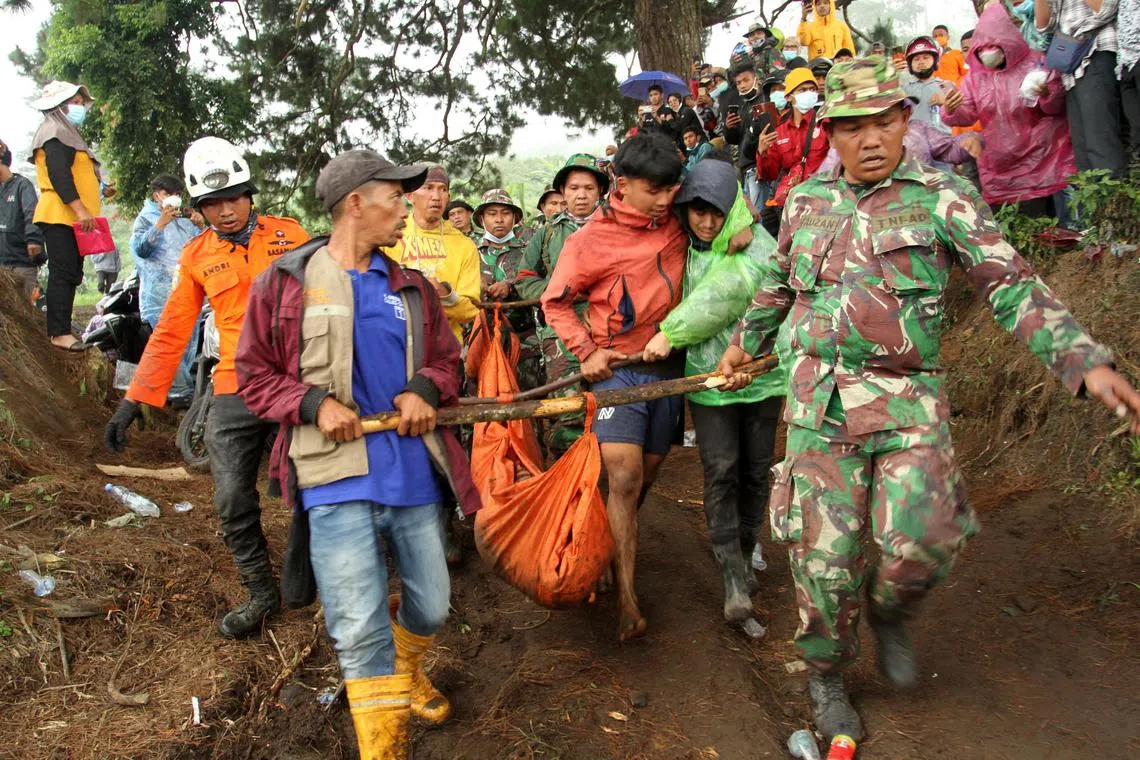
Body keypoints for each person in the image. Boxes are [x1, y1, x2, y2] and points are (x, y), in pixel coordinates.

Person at [718, 56, 1140, 744]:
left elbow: (1010, 284)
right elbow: (775, 286)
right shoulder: (804, 202)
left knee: (923, 539)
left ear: (905, 120)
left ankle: (890, 610)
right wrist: (744, 342)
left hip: (909, 401)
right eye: (853, 126)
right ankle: (826, 674)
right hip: (819, 405)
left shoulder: (944, 198)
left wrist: (1083, 361)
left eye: (884, 120)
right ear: (831, 132)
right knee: (822, 560)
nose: (871, 138)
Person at [236, 149, 480, 760]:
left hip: (409, 471)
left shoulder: (413, 287)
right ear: (355, 203)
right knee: (358, 623)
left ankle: (405, 670)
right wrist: (314, 403)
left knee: (432, 601)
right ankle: (385, 748)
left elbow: (447, 362)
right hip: (333, 478)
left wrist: (423, 388)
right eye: (395, 199)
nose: (407, 211)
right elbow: (255, 375)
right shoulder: (285, 283)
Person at [104, 137, 310, 639]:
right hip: (235, 384)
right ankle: (260, 591)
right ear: (199, 208)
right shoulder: (196, 256)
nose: (224, 211)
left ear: (249, 195)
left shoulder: (292, 235)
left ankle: (305, 572)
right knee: (231, 496)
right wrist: (134, 400)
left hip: (297, 378)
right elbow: (173, 328)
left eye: (233, 198)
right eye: (212, 204)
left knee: (313, 483)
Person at [540, 133, 689, 642]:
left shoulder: (679, 217)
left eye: (673, 187)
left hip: (669, 368)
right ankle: (628, 596)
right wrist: (587, 351)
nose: (666, 199)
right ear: (622, 186)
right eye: (655, 190)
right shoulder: (588, 241)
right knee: (622, 475)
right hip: (616, 369)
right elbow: (554, 302)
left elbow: (727, 207)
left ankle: (604, 541)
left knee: (642, 479)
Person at [644, 158, 786, 630]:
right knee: (721, 469)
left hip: (760, 377)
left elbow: (729, 291)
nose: (706, 221)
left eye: (717, 212)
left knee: (756, 470)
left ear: (734, 211)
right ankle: (732, 578)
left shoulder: (757, 244)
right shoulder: (680, 242)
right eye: (697, 211)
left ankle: (746, 553)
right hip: (708, 383)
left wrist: (671, 331)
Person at [944, 3, 1077, 219]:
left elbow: (1054, 109)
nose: (987, 53)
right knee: (1011, 228)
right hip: (1000, 167)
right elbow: (967, 114)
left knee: (1046, 225)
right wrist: (951, 109)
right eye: (983, 48)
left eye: (993, 46)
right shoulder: (976, 78)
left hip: (1039, 161)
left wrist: (1046, 93)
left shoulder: (1034, 63)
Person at [516, 154, 609, 456]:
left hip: (610, 332)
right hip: (561, 337)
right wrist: (560, 291)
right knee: (567, 412)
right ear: (563, 192)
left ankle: (600, 478)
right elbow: (525, 278)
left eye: (589, 188)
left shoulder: (617, 227)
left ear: (600, 192)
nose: (581, 195)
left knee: (612, 410)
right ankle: (567, 484)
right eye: (573, 188)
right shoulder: (546, 234)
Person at [29, 80, 101, 351]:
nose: (80, 107)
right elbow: (59, 175)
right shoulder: (54, 131)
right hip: (60, 214)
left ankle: (62, 328)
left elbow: (78, 173)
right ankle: (58, 333)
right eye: (75, 102)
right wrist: (81, 209)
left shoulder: (65, 132)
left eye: (81, 103)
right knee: (63, 271)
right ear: (59, 106)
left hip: (70, 215)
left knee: (71, 272)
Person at [129, 174, 205, 404]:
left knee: (188, 346)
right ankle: (182, 395)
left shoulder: (184, 219)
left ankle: (180, 395)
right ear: (157, 196)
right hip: (158, 296)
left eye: (178, 195)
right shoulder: (145, 219)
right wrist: (160, 224)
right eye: (170, 194)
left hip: (188, 293)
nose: (175, 199)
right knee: (169, 345)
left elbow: (203, 248)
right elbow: (141, 250)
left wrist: (201, 225)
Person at [385, 165, 480, 345]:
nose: (436, 196)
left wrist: (445, 295)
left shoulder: (464, 245)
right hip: (397, 345)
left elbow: (471, 311)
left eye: (442, 190)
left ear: (448, 198)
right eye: (428, 188)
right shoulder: (390, 235)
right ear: (410, 195)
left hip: (445, 350)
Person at [1035, 0, 1130, 176]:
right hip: (1071, 63)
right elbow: (1043, 25)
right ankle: (1096, 200)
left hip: (1096, 52)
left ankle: (1114, 200)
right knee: (1083, 149)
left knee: (1100, 141)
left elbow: (1106, 9)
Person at [474, 188, 540, 390]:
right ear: (482, 219)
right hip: (483, 336)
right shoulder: (470, 249)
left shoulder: (530, 245)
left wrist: (510, 286)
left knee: (529, 394)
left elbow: (542, 280)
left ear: (515, 217)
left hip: (524, 336)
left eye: (505, 213)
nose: (499, 219)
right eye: (492, 214)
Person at [757, 67, 829, 232]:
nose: (809, 93)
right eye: (802, 90)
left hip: (821, 203)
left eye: (812, 89)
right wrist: (762, 153)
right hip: (790, 206)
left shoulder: (825, 124)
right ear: (789, 96)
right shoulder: (780, 131)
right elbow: (770, 174)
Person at [0, 137, 45, 300]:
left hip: (21, 264)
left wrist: (33, 240)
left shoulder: (22, 186)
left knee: (21, 311)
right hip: (2, 265)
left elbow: (32, 213)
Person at [723, 61, 770, 205]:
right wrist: (729, 128)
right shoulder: (743, 107)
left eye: (746, 80)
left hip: (759, 166)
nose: (742, 85)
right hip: (746, 168)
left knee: (759, 216)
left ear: (756, 79)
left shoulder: (764, 103)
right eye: (738, 83)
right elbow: (736, 139)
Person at [902, 36, 952, 134]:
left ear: (936, 61)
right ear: (910, 64)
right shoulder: (903, 89)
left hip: (943, 143)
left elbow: (963, 115)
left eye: (926, 58)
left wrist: (947, 102)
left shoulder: (947, 87)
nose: (921, 62)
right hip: (911, 143)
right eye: (916, 59)